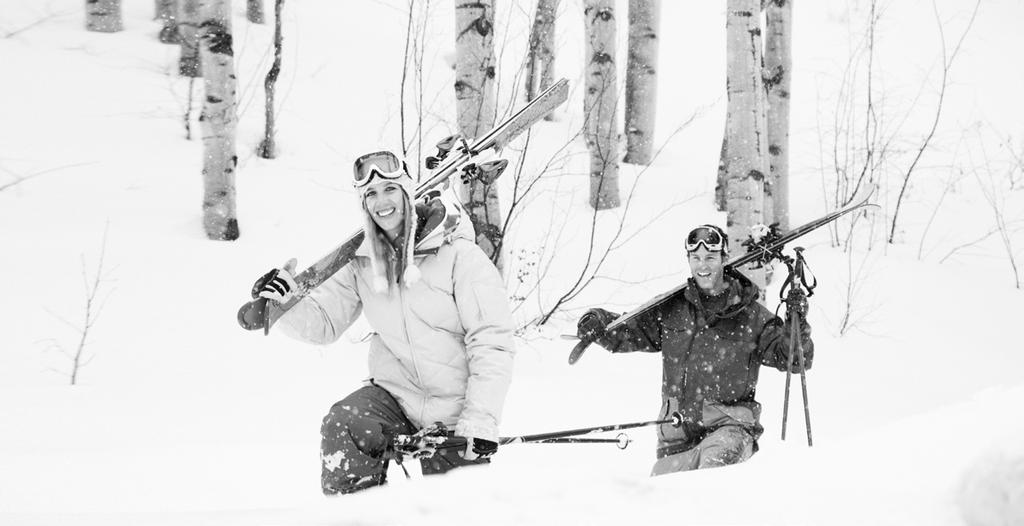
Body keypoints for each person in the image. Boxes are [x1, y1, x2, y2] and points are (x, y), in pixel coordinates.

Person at [253, 150, 515, 495]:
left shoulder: (460, 256)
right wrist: (285, 305)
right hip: (396, 398)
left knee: (452, 507)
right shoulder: (361, 262)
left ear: (407, 193)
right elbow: (324, 325)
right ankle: (356, 515)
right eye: (371, 195)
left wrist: (479, 420)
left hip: (455, 408)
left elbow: (492, 340)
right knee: (344, 422)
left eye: (390, 189)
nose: (381, 202)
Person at [576, 224, 813, 475]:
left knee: (709, 482)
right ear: (688, 259)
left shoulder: (750, 315)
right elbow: (629, 332)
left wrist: (797, 324)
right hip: (675, 437)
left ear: (724, 259)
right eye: (696, 258)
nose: (703, 266)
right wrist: (598, 322)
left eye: (710, 258)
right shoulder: (673, 310)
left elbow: (795, 359)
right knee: (662, 504)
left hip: (728, 429)